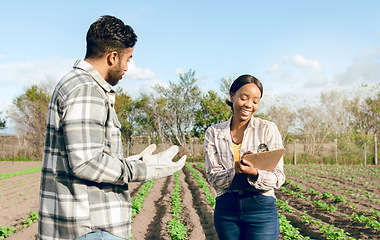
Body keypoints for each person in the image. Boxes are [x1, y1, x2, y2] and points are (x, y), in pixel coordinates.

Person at [38, 15, 186, 240]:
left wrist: (134, 161)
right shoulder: (87, 89)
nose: (127, 67)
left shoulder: (73, 84)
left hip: (81, 226)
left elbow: (88, 154)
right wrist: (143, 170)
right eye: (128, 59)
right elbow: (87, 163)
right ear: (113, 57)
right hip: (90, 227)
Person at [204, 74, 285, 240]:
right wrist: (235, 170)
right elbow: (213, 177)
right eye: (244, 98)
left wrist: (255, 173)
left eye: (255, 101)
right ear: (232, 96)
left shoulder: (267, 129)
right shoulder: (214, 133)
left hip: (261, 208)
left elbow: (279, 177)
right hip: (227, 209)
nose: (249, 104)